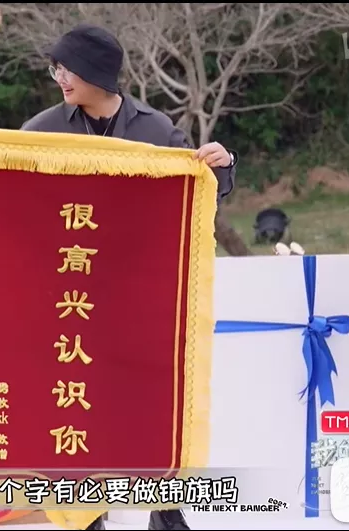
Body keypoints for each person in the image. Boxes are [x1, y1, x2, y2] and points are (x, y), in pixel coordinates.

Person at [27, 24, 236, 531]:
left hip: (142, 297)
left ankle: (167, 511)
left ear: (98, 74)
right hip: (72, 300)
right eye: (56, 70)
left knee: (153, 407)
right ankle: (86, 515)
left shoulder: (155, 129)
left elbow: (202, 188)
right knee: (79, 410)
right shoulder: (41, 131)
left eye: (68, 70)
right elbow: (8, 186)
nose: (60, 79)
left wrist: (223, 165)